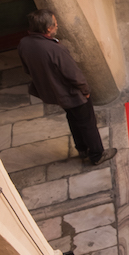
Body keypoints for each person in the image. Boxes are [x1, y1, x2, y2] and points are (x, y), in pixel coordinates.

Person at [17, 9, 115, 167]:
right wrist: (86, 91)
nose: (57, 26)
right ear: (49, 28)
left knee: (73, 118)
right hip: (72, 94)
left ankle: (82, 149)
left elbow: (27, 70)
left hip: (55, 94)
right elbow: (74, 75)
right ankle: (97, 155)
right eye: (55, 24)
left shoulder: (24, 44)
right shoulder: (56, 49)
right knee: (87, 123)